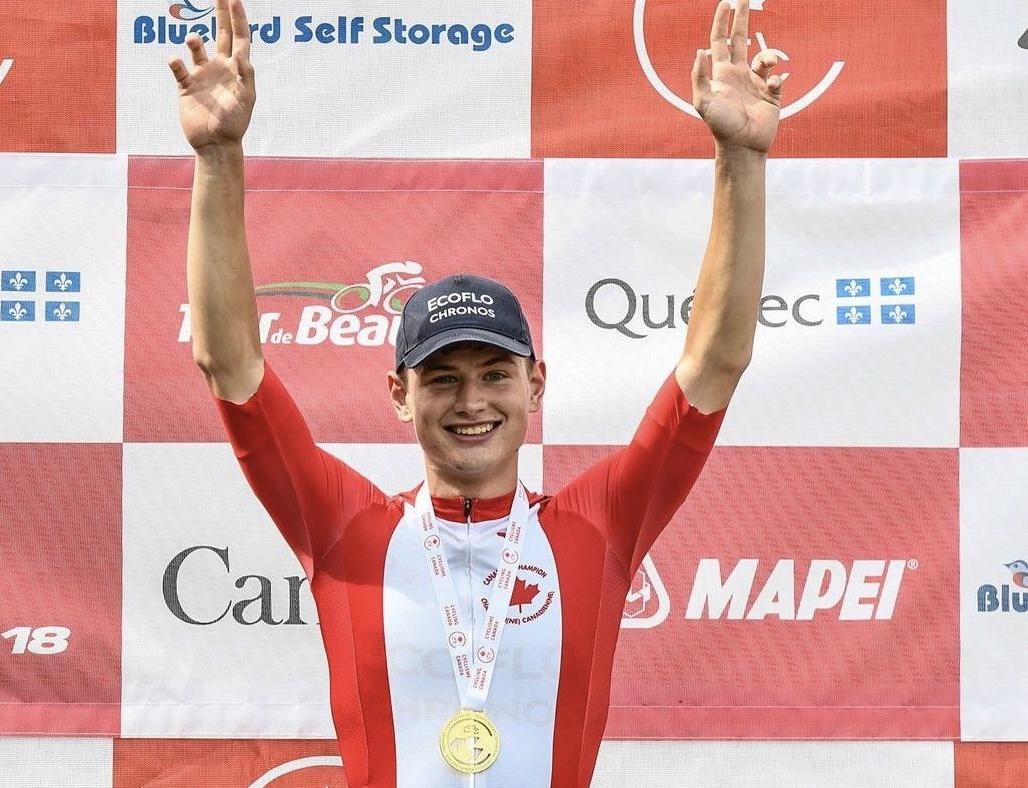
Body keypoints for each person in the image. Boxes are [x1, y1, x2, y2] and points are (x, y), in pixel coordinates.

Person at [169, 0, 781, 784]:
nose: (471, 402)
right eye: (443, 378)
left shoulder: (602, 526)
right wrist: (218, 155)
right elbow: (230, 366)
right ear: (399, 393)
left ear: (535, 383)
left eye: (494, 374)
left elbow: (715, 363)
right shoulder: (343, 527)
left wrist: (742, 162)